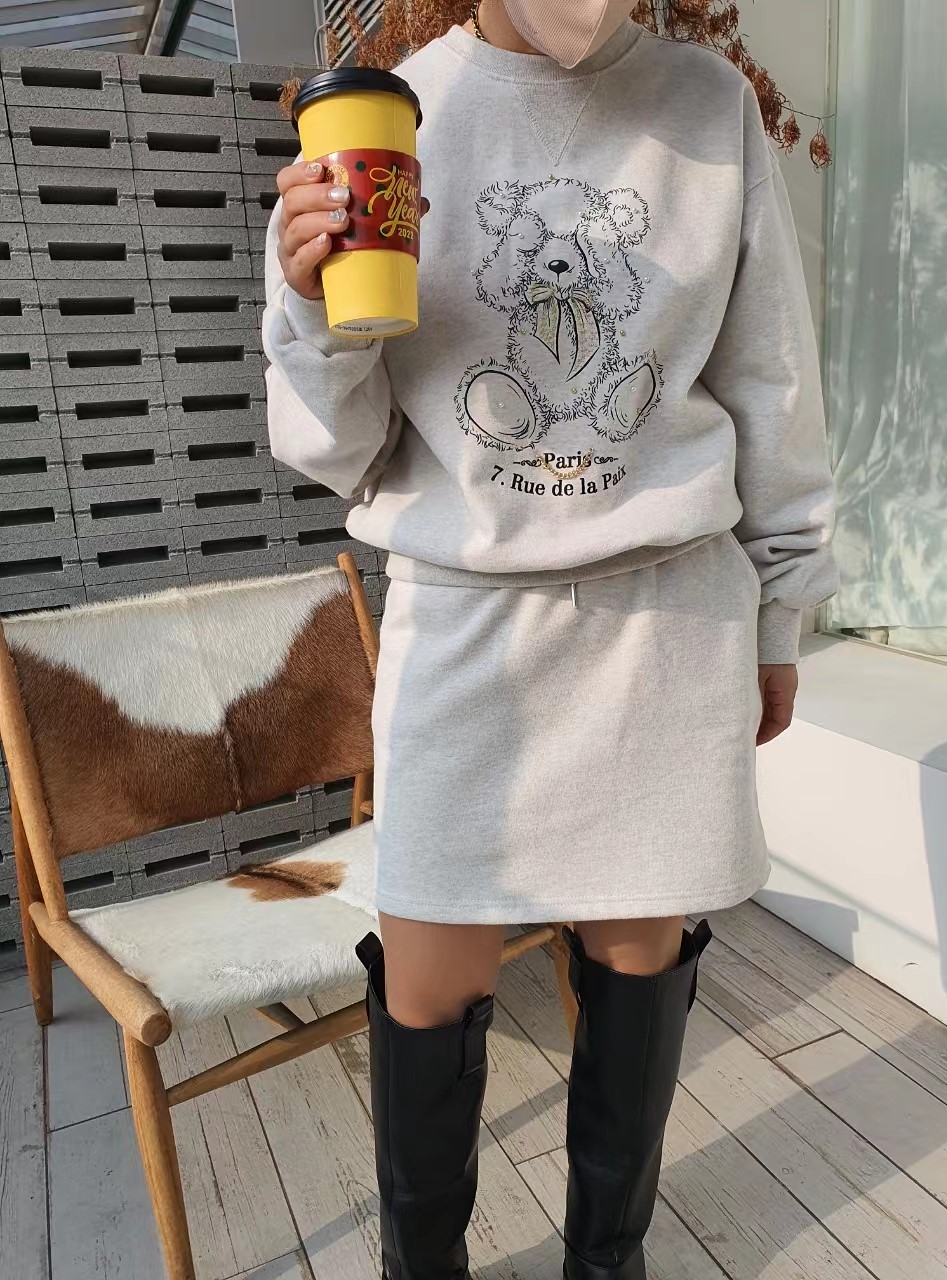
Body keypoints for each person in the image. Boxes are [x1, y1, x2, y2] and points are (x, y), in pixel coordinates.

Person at [263, 2, 837, 1275]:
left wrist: (783, 607)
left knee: (638, 971)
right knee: (426, 987)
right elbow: (337, 450)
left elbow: (772, 382)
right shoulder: (389, 120)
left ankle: (606, 1262)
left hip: (665, 621)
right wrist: (308, 310)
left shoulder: (708, 105)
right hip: (466, 621)